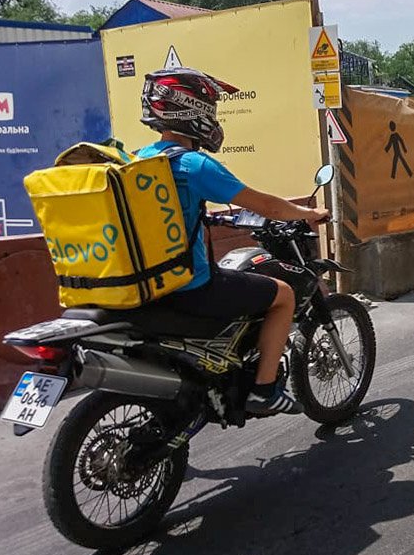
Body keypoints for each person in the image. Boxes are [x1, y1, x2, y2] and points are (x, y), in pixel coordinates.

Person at [135, 67, 329, 416]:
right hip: (190, 286)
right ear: (192, 110)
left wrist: (208, 216)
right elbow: (266, 205)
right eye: (210, 108)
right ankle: (264, 390)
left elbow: (165, 213)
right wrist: (307, 214)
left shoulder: (139, 159)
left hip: (150, 285)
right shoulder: (193, 165)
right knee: (283, 295)